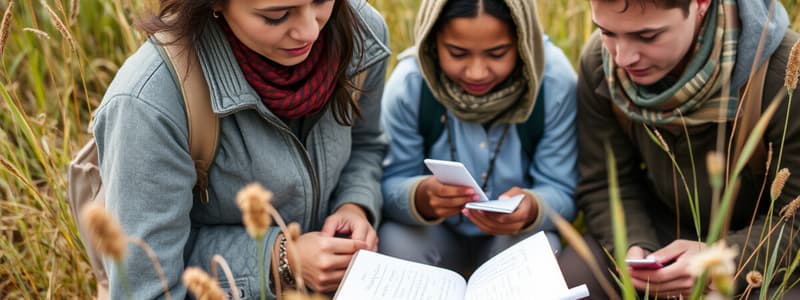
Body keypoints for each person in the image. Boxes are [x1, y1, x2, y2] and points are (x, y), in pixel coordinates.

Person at [91, 0, 389, 298]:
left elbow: (365, 145)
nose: (310, 31)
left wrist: (355, 204)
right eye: (278, 15)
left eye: (321, 1)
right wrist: (279, 258)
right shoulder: (148, 105)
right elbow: (150, 284)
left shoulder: (362, 30)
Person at [561, 0, 800, 298]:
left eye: (647, 37)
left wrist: (722, 261)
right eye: (606, 32)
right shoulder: (600, 63)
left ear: (700, 4)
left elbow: (795, 221)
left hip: (756, 251)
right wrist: (634, 247)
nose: (622, 58)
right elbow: (605, 185)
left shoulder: (786, 73)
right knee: (565, 283)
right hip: (656, 233)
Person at [379, 0, 578, 275]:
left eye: (497, 54)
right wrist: (421, 197)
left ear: (522, 42)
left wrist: (533, 208)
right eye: (457, 53)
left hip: (510, 239)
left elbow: (562, 190)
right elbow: (387, 186)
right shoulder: (410, 84)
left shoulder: (553, 81)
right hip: (435, 236)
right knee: (393, 240)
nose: (476, 72)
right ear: (432, 40)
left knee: (542, 244)